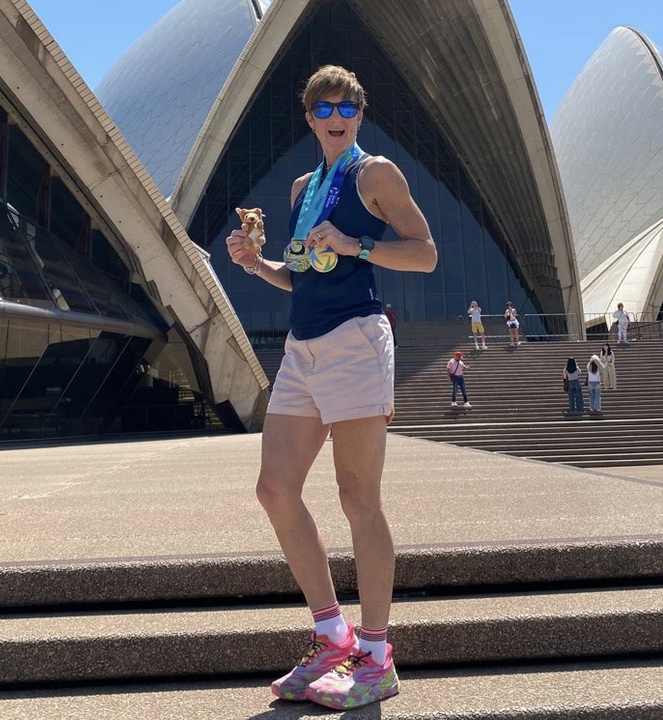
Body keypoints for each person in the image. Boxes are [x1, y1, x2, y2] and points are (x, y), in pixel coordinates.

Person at [224, 65, 437, 710]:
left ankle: (377, 655)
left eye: (346, 105)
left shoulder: (375, 175)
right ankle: (332, 635)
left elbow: (424, 252)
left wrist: (357, 243)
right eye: (322, 108)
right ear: (310, 119)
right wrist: (256, 264)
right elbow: (303, 277)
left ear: (359, 115)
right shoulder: (300, 187)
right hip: (303, 346)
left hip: (356, 341)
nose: (334, 114)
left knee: (357, 498)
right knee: (275, 488)